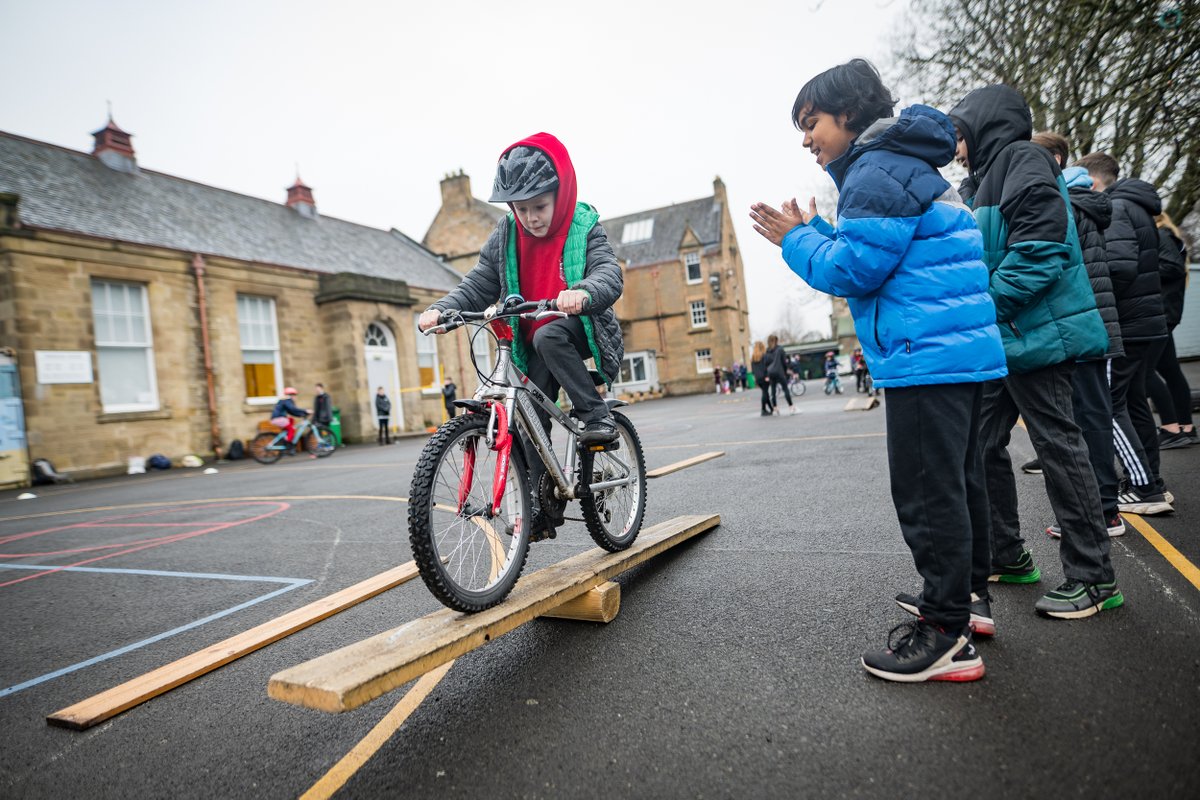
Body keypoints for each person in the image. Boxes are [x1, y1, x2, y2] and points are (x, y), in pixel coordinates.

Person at [751, 59, 1007, 682]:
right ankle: (966, 602)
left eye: (811, 124)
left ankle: (945, 635)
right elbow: (877, 253)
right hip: (958, 354)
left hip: (925, 357)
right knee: (960, 485)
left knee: (928, 493)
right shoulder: (905, 163)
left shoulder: (873, 172)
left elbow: (852, 271)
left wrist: (793, 239)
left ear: (849, 114)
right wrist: (815, 227)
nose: (806, 139)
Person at [949, 84, 1121, 620]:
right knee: (980, 444)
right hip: (1010, 337)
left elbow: (1042, 250)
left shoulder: (1021, 160)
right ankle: (1008, 554)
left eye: (960, 135)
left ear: (983, 126)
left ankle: (1094, 579)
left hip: (1038, 335)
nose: (956, 147)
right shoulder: (984, 178)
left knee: (1058, 449)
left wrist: (987, 306)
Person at [418, 133, 624, 538]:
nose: (531, 217)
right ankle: (541, 514)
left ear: (560, 194)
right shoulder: (506, 235)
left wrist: (583, 292)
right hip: (529, 341)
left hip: (577, 327)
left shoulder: (584, 225)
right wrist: (442, 308)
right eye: (521, 208)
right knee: (525, 423)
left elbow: (608, 272)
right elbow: (479, 282)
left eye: (539, 206)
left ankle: (595, 414)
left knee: (549, 337)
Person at [1028, 132, 1125, 538]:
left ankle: (1104, 511)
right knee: (1085, 422)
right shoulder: (1073, 202)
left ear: (1053, 159)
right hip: (1080, 328)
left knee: (1093, 421)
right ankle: (1099, 509)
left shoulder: (1071, 205)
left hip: (1084, 329)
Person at [1075, 151, 1172, 514]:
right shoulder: (1138, 206)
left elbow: (1117, 266)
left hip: (1127, 323)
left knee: (1109, 407)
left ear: (1094, 181)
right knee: (1133, 401)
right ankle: (1149, 480)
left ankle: (1145, 488)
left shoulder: (1114, 208)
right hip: (1146, 320)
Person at [1146, 212, 1194, 448]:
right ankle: (1185, 427)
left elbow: (1172, 267)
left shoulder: (1159, 235)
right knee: (1170, 369)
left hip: (1161, 313)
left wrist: (1141, 267)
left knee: (1144, 372)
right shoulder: (1168, 236)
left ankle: (1171, 427)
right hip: (1166, 312)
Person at [270, 387, 308, 452]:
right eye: (294, 395)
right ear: (290, 395)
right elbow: (293, 409)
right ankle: (287, 443)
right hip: (278, 418)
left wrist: (302, 414)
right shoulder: (287, 401)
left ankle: (287, 437)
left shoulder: (285, 401)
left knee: (291, 420)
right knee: (291, 429)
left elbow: (292, 412)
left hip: (279, 418)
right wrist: (305, 411)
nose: (295, 397)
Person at [765, 335, 795, 414]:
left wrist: (767, 373)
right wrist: (785, 371)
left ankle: (775, 408)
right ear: (776, 340)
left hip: (771, 373)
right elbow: (784, 362)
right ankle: (791, 407)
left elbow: (766, 363)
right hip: (779, 372)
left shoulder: (767, 350)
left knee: (773, 391)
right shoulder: (780, 349)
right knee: (785, 389)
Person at [750, 340, 774, 416]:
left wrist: (755, 377)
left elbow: (753, 370)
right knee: (765, 393)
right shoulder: (764, 356)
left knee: (765, 392)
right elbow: (766, 367)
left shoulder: (753, 357)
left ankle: (770, 408)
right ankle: (763, 409)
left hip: (758, 378)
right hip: (764, 377)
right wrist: (767, 376)